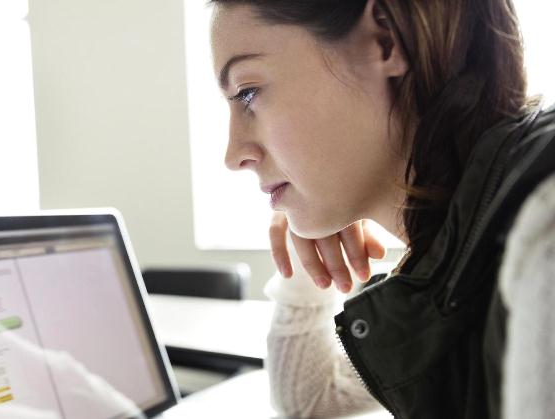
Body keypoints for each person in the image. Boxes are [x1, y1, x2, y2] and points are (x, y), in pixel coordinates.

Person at [209, 0, 555, 418]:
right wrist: (308, 265)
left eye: (248, 92)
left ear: (384, 41)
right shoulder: (455, 238)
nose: (233, 155)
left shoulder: (544, 233)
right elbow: (311, 403)